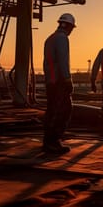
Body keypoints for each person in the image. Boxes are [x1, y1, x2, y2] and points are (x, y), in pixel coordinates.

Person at [42, 13, 76, 154]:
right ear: (69, 26)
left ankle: (48, 140)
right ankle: (53, 141)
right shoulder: (62, 39)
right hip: (59, 81)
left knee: (52, 111)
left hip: (51, 80)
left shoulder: (50, 38)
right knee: (63, 111)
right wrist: (68, 80)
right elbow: (62, 61)